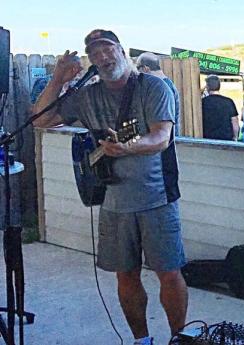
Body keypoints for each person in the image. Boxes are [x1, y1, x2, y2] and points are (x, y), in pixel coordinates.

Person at [32, 29, 187, 345]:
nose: (102, 57)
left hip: (156, 197)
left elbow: (162, 137)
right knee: (125, 274)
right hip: (112, 200)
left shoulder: (154, 87)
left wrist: (128, 148)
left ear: (122, 52)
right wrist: (58, 78)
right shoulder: (87, 95)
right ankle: (141, 339)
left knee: (169, 272)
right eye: (95, 52)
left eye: (108, 49)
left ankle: (179, 338)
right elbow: (40, 121)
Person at [136, 52, 181, 136]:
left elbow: (160, 128)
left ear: (145, 68)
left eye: (138, 68)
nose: (137, 73)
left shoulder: (159, 88)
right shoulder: (168, 85)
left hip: (161, 144)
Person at [201, 75, 239, 140]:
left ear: (207, 87)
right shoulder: (229, 102)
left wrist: (202, 91)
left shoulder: (202, 102)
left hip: (207, 139)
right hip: (226, 139)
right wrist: (235, 137)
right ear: (219, 86)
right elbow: (235, 122)